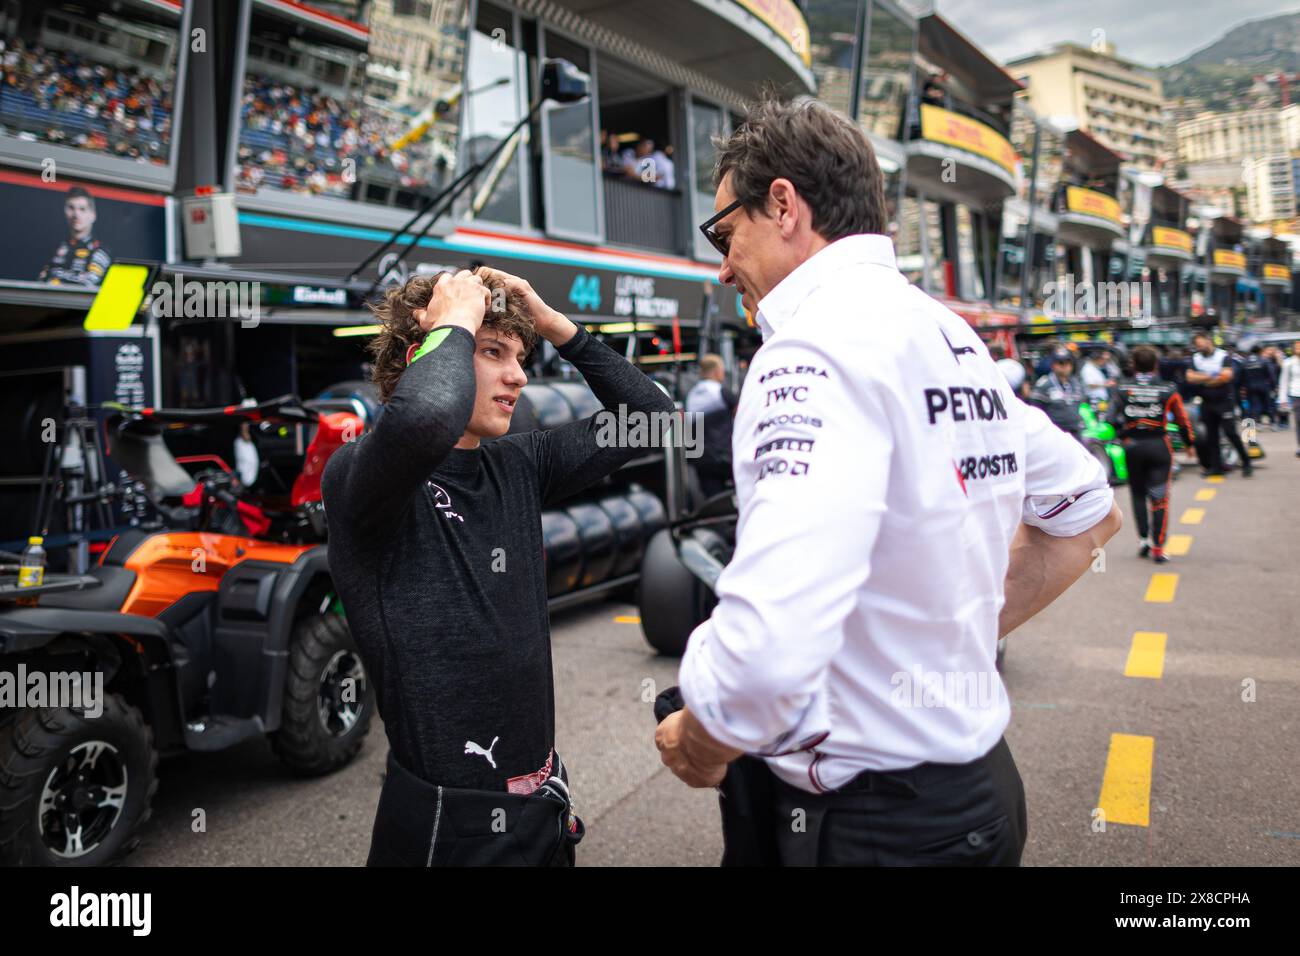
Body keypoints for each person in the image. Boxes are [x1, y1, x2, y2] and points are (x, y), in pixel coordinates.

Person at [653, 97, 1121, 867]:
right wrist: (938, 651)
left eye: (725, 233)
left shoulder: (810, 348)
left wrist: (701, 737)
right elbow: (1088, 511)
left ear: (782, 206)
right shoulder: (946, 336)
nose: (723, 264)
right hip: (977, 799)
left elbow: (765, 654)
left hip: (869, 827)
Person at [322, 267, 673, 866]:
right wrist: (453, 319)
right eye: (492, 352)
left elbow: (654, 415)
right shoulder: (364, 476)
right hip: (448, 823)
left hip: (541, 805)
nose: (517, 375)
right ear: (428, 351)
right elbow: (427, 416)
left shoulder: (518, 462)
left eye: (520, 355)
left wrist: (553, 323)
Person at [1109, 346, 1195, 564]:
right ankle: (1159, 546)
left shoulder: (1122, 389)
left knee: (1137, 494)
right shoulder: (1168, 389)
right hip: (1159, 446)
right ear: (1156, 365)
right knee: (1159, 497)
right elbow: (1183, 420)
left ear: (1133, 365)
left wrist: (1124, 434)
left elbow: (1109, 419)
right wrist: (1189, 444)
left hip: (1132, 447)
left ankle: (1144, 540)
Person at [1187, 331, 1252, 477]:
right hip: (1206, 402)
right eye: (1196, 345)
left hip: (1224, 401)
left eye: (1200, 343)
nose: (1199, 347)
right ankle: (1216, 467)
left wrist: (1202, 379)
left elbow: (1226, 376)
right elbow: (1190, 377)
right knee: (1211, 436)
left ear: (1208, 340)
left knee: (1231, 433)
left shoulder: (1223, 356)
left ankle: (1246, 462)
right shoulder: (1196, 358)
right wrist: (1213, 376)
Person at [684, 353, 738, 497]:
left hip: (701, 459)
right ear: (716, 371)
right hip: (724, 458)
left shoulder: (691, 394)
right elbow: (742, 414)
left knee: (713, 502)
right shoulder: (719, 391)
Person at [39, 186, 112, 287]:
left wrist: (57, 281)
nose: (76, 214)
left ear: (93, 215)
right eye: (71, 208)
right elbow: (41, 283)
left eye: (82, 209)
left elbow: (87, 289)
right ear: (65, 212)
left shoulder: (100, 251)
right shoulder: (57, 248)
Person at [1029, 348, 1086, 439]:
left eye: (1068, 362)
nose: (1065, 366)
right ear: (1053, 365)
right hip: (1055, 434)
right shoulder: (1044, 384)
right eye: (1060, 363)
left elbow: (1081, 404)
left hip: (1075, 432)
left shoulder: (1076, 383)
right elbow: (1035, 410)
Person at [1279, 341, 1300, 457]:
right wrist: (1283, 398)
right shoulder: (1289, 363)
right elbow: (1284, 381)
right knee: (1299, 421)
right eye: (1297, 347)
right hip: (1296, 395)